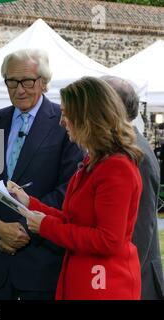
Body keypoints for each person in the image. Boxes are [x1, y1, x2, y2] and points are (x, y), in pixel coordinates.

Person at [9, 76, 144, 300]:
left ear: (87, 117)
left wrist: (46, 227)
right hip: (87, 279)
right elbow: (75, 220)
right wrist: (29, 203)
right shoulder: (95, 162)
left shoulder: (116, 167)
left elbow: (108, 240)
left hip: (104, 285)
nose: (62, 121)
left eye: (66, 113)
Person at [0, 48, 84, 300]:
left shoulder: (66, 123)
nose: (19, 89)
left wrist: (21, 228)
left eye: (27, 81)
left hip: (41, 260)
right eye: (12, 81)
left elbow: (68, 190)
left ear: (43, 82)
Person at [102, 76, 164, 300]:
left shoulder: (136, 155)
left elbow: (140, 230)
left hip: (135, 285)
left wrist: (117, 281)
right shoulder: (119, 148)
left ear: (111, 108)